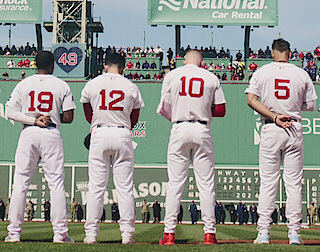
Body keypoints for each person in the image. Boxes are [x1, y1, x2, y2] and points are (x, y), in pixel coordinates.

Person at [247, 38, 318, 245]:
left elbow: (251, 100)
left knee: (268, 183)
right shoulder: (301, 73)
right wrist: (292, 108)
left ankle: (263, 232)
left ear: (272, 53)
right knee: (294, 183)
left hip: (271, 126)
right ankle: (294, 233)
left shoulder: (262, 72)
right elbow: (311, 105)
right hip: (294, 127)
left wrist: (275, 115)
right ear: (290, 53)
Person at [4, 51, 75, 243]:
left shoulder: (24, 83)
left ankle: (14, 233)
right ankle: (60, 234)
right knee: (56, 184)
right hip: (51, 132)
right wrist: (48, 117)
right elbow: (68, 117)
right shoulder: (61, 85)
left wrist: (33, 120)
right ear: (53, 65)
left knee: (20, 183)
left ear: (35, 65)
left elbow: (9, 112)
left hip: (29, 131)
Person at [158, 49, 226, 245]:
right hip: (202, 128)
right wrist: (202, 108)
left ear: (184, 60)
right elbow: (221, 110)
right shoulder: (210, 77)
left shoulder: (172, 75)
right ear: (201, 62)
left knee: (175, 184)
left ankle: (169, 233)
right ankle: (210, 233)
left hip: (179, 126)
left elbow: (164, 107)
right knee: (206, 185)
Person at [79, 50, 144, 244]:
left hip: (99, 132)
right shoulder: (130, 86)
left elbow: (87, 113)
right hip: (122, 132)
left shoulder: (93, 84)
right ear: (123, 68)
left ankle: (91, 233)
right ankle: (127, 234)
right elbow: (134, 118)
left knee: (96, 188)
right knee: (124, 188)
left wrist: (99, 124)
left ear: (105, 66)